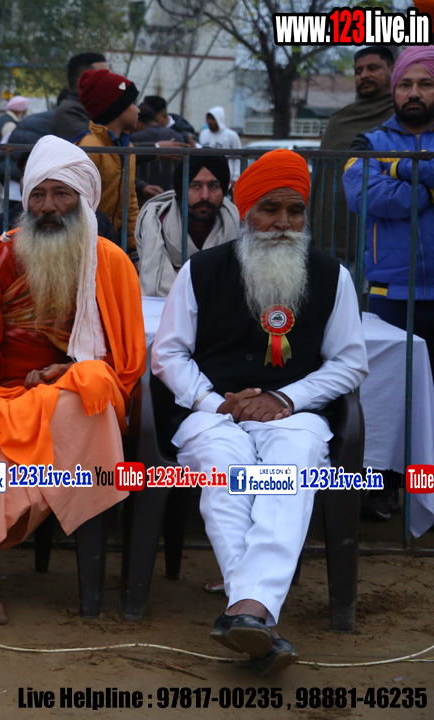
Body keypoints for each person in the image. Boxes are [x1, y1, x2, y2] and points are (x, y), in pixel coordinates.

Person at [152, 149, 368, 676]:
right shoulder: (201, 271)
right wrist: (214, 402)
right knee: (226, 470)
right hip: (213, 412)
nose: (283, 223)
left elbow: (350, 362)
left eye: (294, 211)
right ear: (246, 212)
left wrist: (286, 398)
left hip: (295, 414)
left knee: (289, 469)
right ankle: (257, 613)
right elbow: (168, 355)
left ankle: (246, 609)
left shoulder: (331, 275)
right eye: (270, 209)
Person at [0, 136, 144, 625]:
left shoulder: (112, 263)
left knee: (92, 384)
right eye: (37, 195)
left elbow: (123, 364)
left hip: (68, 402)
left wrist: (68, 369)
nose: (48, 207)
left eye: (61, 194)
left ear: (83, 200)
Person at [345, 46, 434, 372]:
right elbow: (363, 195)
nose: (414, 93)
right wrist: (427, 192)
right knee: (395, 391)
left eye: (426, 84)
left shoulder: (381, 154)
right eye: (405, 84)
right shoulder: (368, 142)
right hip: (390, 294)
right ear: (394, 90)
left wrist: (398, 168)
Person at [315, 47, 395, 264]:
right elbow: (322, 180)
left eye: (372, 68)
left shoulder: (402, 117)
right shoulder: (339, 120)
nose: (364, 75)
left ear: (392, 70)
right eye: (358, 71)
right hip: (334, 239)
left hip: (386, 238)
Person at [135, 156, 239, 297]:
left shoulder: (238, 225)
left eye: (213, 186)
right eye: (195, 186)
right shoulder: (157, 223)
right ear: (181, 190)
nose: (205, 196)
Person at [76, 68, 141, 260]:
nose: (138, 110)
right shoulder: (89, 147)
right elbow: (77, 204)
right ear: (117, 108)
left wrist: (133, 248)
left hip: (114, 246)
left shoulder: (127, 148)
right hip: (87, 246)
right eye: (133, 103)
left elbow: (130, 201)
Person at [52, 52, 109, 140]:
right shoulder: (69, 113)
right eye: (103, 77)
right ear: (82, 82)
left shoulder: (93, 109)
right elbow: (99, 143)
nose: (109, 82)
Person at [198, 106, 242, 184]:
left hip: (227, 176)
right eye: (208, 119)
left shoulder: (231, 135)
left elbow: (238, 157)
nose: (210, 121)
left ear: (219, 119)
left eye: (213, 119)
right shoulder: (203, 134)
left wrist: (236, 177)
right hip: (207, 176)